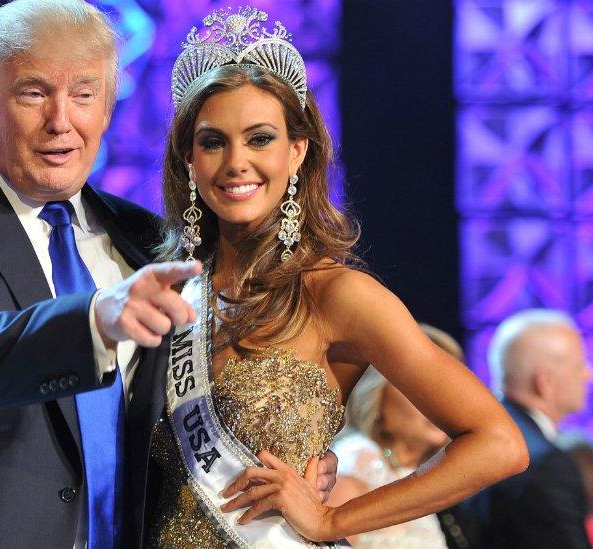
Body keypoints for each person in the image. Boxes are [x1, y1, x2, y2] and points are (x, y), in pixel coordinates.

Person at [0, 1, 336, 547]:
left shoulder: (150, 243)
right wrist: (94, 323)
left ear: (106, 109)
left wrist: (299, 451)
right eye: (33, 93)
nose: (61, 120)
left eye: (83, 94)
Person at [143, 6, 528, 547]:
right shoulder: (167, 293)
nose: (235, 162)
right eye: (212, 141)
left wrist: (335, 519)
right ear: (188, 157)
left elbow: (499, 442)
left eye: (259, 139)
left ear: (297, 151)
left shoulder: (335, 294)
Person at [460, 309, 593, 549]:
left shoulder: (473, 434)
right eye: (579, 366)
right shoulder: (546, 465)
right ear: (546, 382)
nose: (589, 374)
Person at [326, 324, 461, 548]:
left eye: (449, 389)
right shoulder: (356, 463)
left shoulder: (411, 472)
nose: (438, 402)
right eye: (420, 384)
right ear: (376, 392)